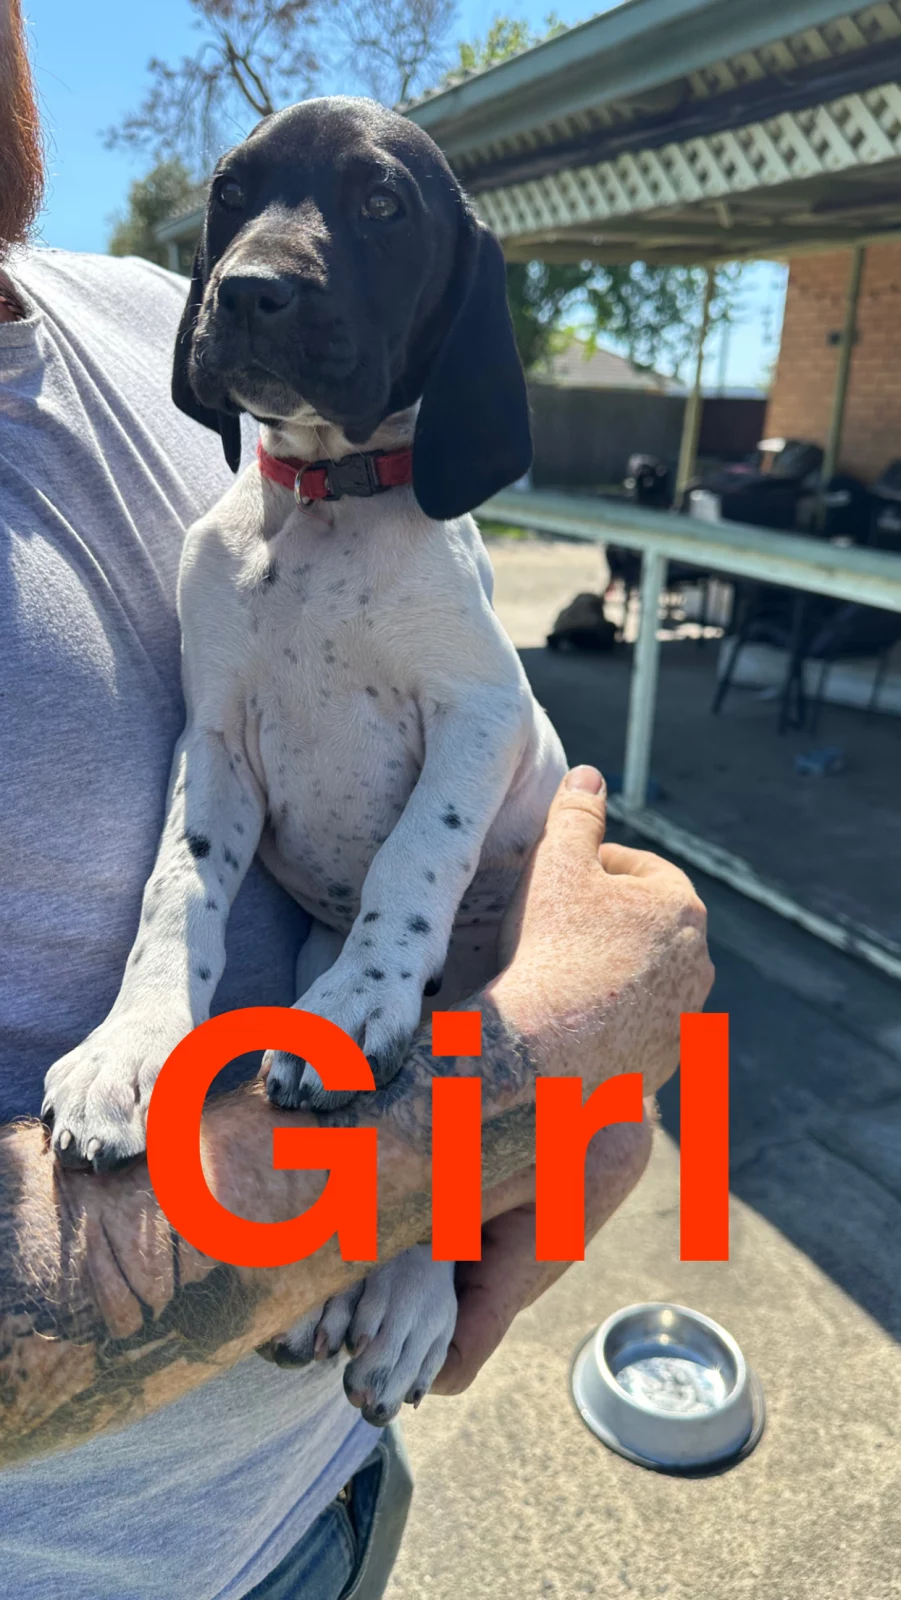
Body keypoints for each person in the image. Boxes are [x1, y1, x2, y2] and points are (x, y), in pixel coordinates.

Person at [0, 4, 714, 1595]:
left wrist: (502, 1086)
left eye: (369, 210)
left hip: (327, 1484)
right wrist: (156, 1013)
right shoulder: (225, 539)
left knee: (408, 994)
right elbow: (218, 783)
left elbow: (490, 731)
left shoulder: (153, 343)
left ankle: (416, 1251)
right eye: (242, 205)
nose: (269, 257)